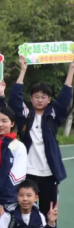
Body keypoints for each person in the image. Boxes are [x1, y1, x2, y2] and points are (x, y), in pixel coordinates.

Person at [9, 56, 74, 215]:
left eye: (43, 97)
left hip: (49, 174)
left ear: (49, 99)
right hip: (27, 172)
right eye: (36, 97)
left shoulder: (53, 115)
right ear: (31, 99)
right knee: (25, 210)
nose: (39, 100)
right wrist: (23, 70)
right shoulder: (26, 116)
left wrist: (71, 70)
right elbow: (15, 99)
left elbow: (65, 98)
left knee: (48, 213)